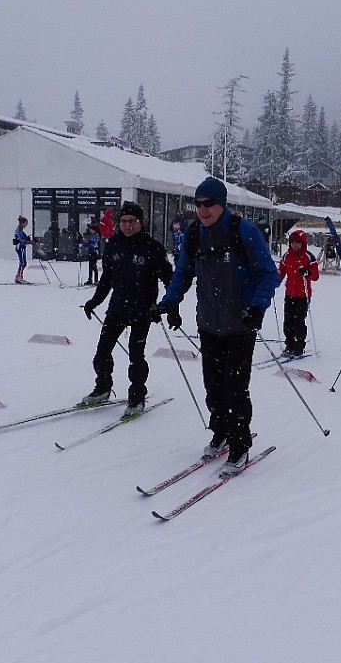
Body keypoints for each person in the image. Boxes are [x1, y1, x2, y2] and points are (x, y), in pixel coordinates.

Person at [154, 177, 279, 473]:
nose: (203, 210)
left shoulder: (243, 232)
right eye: (198, 204)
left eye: (209, 204)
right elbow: (183, 272)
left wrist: (257, 307)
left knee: (235, 388)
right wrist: (171, 301)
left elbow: (268, 274)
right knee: (213, 387)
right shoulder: (194, 233)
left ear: (222, 204)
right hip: (209, 323)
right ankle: (221, 432)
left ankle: (239, 445)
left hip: (240, 325)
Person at [81, 201, 173, 415]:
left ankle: (137, 398)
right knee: (102, 353)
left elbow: (170, 280)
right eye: (123, 221)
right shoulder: (114, 244)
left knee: (136, 356)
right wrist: (94, 302)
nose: (127, 225)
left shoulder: (152, 248)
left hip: (143, 310)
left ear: (140, 222)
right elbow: (106, 279)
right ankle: (103, 388)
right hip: (117, 308)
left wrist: (168, 307)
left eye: (132, 221)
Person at [278, 229, 319, 357]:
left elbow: (315, 275)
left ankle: (299, 345)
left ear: (303, 243)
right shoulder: (286, 256)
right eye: (292, 242)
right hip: (290, 293)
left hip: (303, 295)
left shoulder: (308, 257)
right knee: (288, 320)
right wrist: (272, 280)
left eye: (297, 242)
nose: (294, 245)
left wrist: (307, 273)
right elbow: (281, 272)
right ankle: (289, 344)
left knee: (299, 321)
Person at [13, 215, 35, 284]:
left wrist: (27, 238)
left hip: (22, 247)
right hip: (20, 248)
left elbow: (23, 239)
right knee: (23, 263)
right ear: (22, 223)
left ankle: (18, 276)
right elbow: (22, 241)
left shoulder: (20, 230)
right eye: (26, 223)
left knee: (23, 263)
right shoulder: (19, 231)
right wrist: (31, 242)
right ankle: (19, 277)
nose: (26, 225)